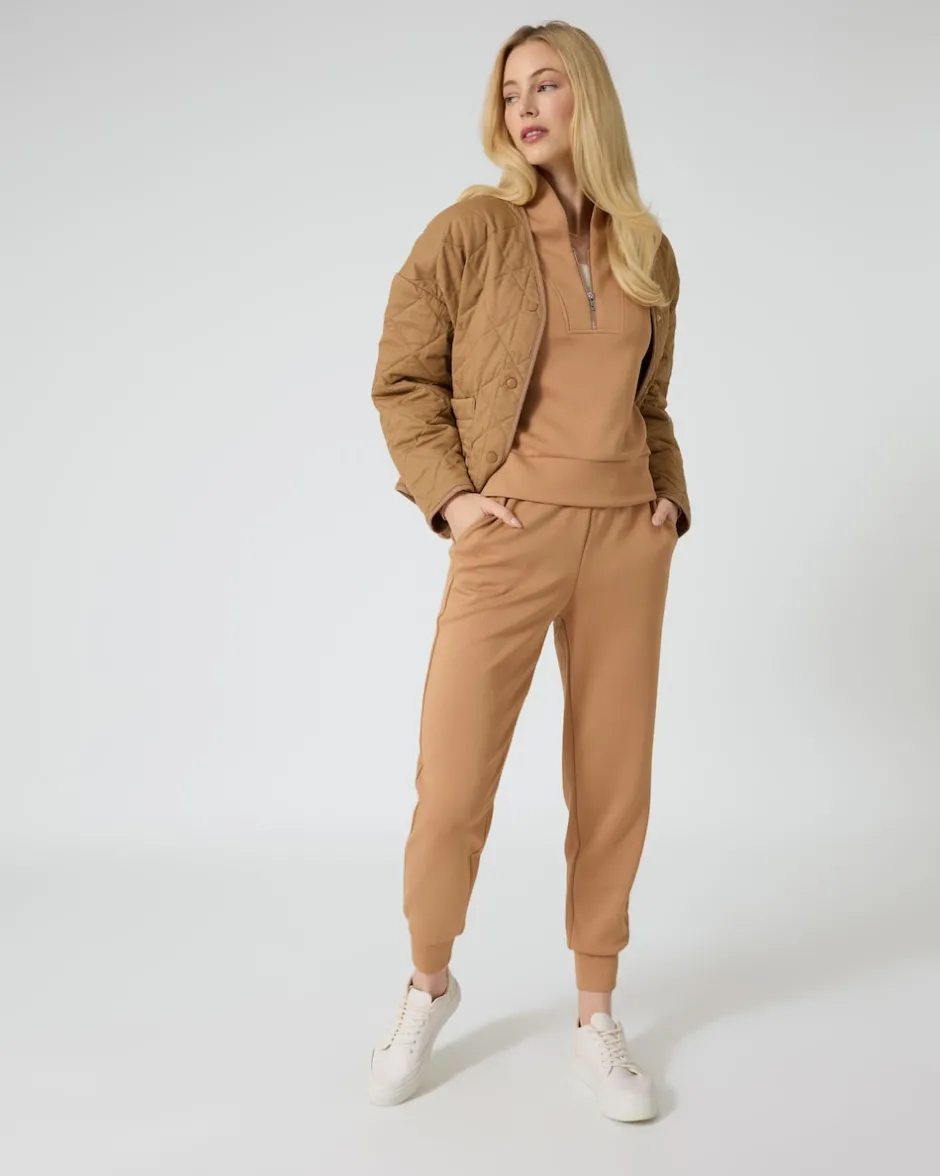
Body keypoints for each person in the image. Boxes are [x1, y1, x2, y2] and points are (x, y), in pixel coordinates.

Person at [367, 19, 691, 1122]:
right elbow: (402, 379)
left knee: (612, 783)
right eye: (511, 93)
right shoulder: (470, 230)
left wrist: (665, 496)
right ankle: (428, 984)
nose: (525, 108)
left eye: (547, 85)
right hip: (508, 534)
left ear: (587, 96)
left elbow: (651, 403)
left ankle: (597, 1014)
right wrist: (454, 498)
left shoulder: (646, 248)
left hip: (624, 541)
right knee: (454, 783)